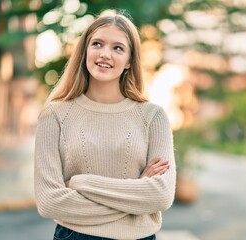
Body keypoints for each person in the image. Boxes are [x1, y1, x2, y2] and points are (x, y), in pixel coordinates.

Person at [34, 10, 176, 240]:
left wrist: (82, 183)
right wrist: (135, 194)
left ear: (130, 60)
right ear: (85, 51)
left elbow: (160, 196)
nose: (105, 54)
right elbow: (49, 202)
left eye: (117, 48)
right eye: (97, 44)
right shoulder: (55, 115)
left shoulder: (153, 117)